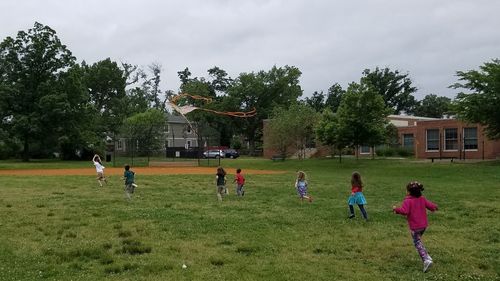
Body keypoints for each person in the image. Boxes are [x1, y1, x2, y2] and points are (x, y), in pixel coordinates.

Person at [393, 181, 438, 273]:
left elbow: (404, 211)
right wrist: (435, 207)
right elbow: (430, 205)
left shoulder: (408, 201)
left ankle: (426, 260)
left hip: (415, 227)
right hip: (423, 226)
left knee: (417, 242)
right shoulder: (422, 199)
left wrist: (396, 209)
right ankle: (427, 256)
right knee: (419, 240)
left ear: (409, 192)